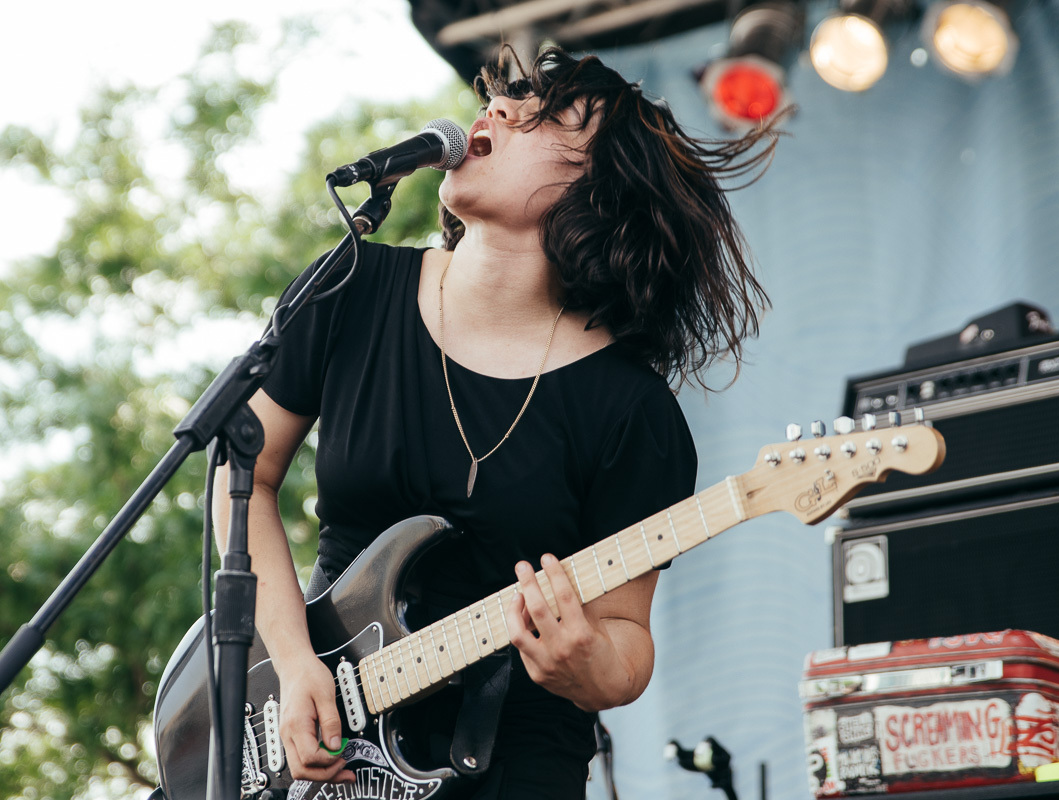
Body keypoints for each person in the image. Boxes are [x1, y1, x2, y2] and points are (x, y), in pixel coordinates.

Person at [215, 46, 780, 799]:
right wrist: (293, 663)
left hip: (513, 762)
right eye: (504, 97)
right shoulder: (351, 287)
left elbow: (627, 643)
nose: (499, 110)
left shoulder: (630, 411)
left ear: (600, 189)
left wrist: (587, 665)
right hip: (324, 732)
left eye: (545, 114)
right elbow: (239, 472)